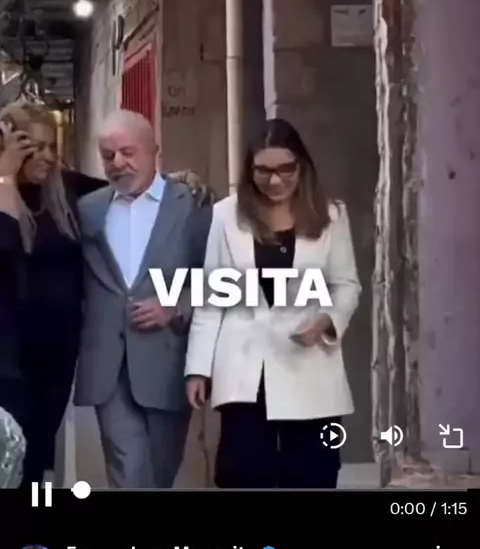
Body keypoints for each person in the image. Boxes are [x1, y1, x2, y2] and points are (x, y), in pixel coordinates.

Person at [185, 118, 361, 489]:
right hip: (246, 370)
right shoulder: (226, 215)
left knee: (314, 474)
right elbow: (212, 298)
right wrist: (198, 368)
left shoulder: (332, 215)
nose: (275, 180)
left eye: (285, 169)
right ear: (249, 171)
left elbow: (346, 285)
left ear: (302, 166)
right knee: (242, 475)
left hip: (310, 366)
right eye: (263, 171)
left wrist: (327, 321)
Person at [74, 109, 213, 489]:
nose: (117, 163)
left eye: (128, 152)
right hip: (108, 367)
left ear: (155, 151)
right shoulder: (88, 208)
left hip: (167, 361)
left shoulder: (192, 204)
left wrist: (176, 307)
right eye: (108, 155)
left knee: (161, 472)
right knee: (128, 470)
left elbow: (218, 278)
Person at [0, 103, 106, 487]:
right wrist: (5, 176)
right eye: (35, 147)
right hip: (9, 356)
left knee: (41, 452)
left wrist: (177, 182)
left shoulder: (66, 189)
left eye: (51, 147)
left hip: (57, 351)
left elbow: (128, 188)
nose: (47, 156)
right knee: (11, 452)